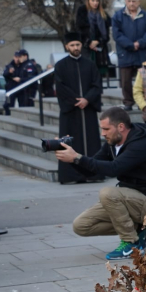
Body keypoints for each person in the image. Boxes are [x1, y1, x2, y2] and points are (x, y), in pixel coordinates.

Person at [58, 107, 146, 260]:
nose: (102, 133)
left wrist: (78, 157)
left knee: (108, 193)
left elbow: (113, 169)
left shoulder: (141, 144)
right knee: (81, 226)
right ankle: (138, 227)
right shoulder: (112, 143)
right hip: (131, 200)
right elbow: (91, 171)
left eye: (106, 129)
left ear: (120, 127)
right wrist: (72, 159)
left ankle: (132, 243)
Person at [54, 32, 105, 184]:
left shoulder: (90, 64)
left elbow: (97, 84)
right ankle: (71, 176)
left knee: (91, 142)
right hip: (71, 111)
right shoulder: (60, 65)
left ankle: (92, 174)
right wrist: (76, 100)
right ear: (66, 47)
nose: (75, 47)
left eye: (77, 45)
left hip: (88, 109)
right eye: (72, 45)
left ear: (81, 45)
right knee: (70, 142)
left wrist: (87, 99)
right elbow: (60, 87)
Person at [112, 0, 146, 111]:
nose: (131, 3)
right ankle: (128, 102)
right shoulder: (117, 16)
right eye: (129, 1)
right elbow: (117, 35)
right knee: (125, 81)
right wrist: (131, 45)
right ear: (125, 1)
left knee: (144, 80)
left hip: (142, 53)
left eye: (134, 1)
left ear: (139, 2)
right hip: (125, 53)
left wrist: (139, 43)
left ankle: (144, 102)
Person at [75, 0, 112, 79]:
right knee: (87, 72)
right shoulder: (83, 13)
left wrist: (98, 41)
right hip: (86, 46)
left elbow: (106, 35)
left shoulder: (103, 14)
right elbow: (79, 30)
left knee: (98, 74)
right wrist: (89, 42)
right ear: (88, 1)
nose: (95, 3)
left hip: (100, 47)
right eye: (93, 1)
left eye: (97, 1)